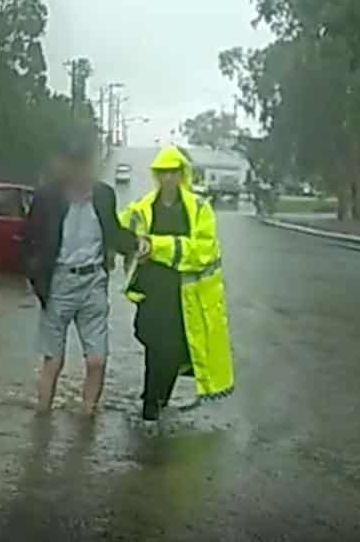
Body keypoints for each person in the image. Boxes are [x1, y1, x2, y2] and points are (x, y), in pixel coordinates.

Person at [21, 135, 142, 415]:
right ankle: (42, 419)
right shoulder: (48, 197)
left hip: (93, 284)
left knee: (97, 361)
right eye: (76, 165)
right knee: (53, 361)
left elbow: (113, 233)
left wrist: (136, 243)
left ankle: (87, 420)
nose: (82, 172)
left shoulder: (103, 195)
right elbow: (28, 241)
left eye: (87, 165)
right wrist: (38, 282)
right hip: (59, 283)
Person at [118, 145, 235, 421]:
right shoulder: (143, 207)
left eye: (173, 172)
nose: (169, 178)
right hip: (151, 291)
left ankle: (155, 404)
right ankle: (152, 401)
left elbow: (203, 250)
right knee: (152, 343)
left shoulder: (198, 209)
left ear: (182, 174)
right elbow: (119, 231)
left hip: (184, 294)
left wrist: (156, 245)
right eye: (163, 173)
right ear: (156, 175)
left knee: (170, 350)